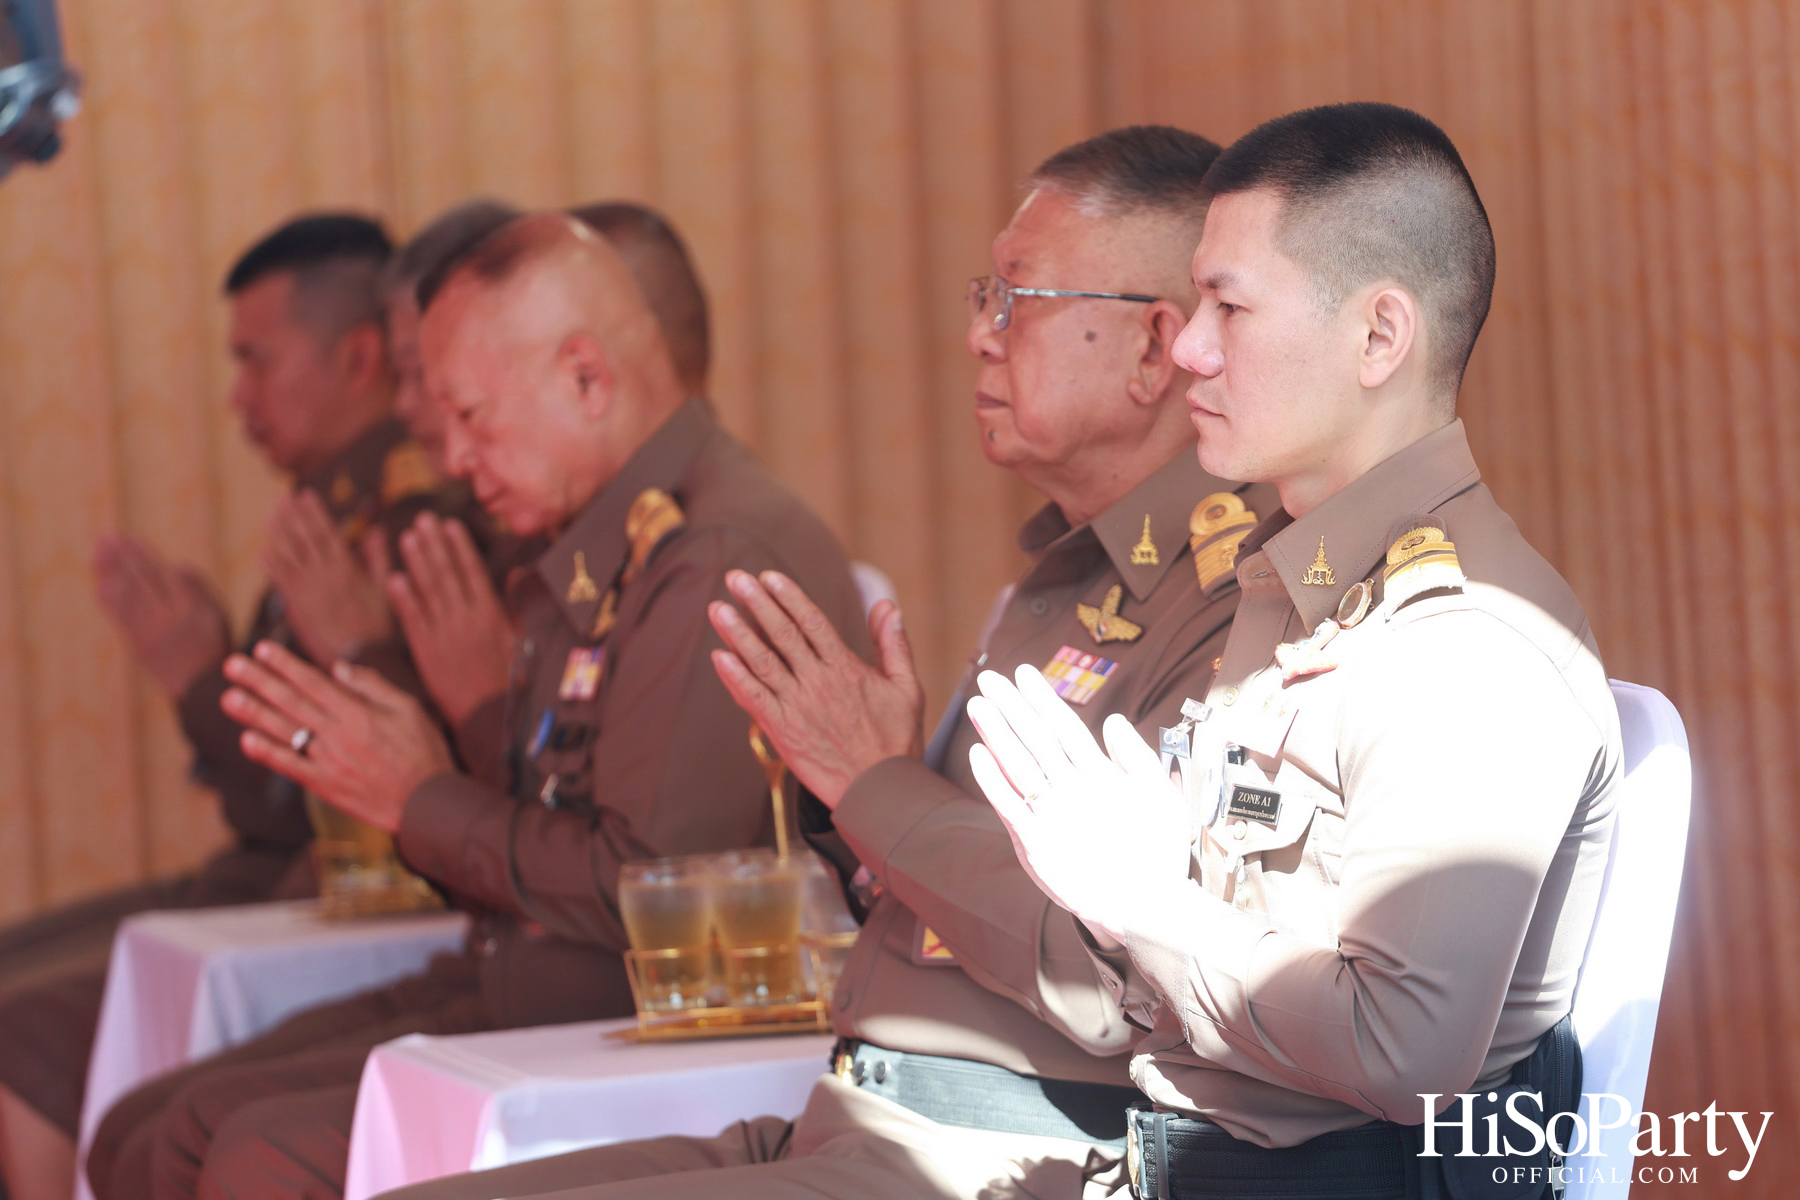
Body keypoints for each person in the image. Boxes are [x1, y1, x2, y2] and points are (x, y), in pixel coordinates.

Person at [374, 125, 1270, 1200]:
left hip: (987, 1155)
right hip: (844, 1118)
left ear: (1149, 345)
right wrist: (856, 809)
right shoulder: (1058, 585)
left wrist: (875, 787)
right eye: (981, 297)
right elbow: (943, 893)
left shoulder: (1238, 607)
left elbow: (1112, 974)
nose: (980, 337)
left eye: (1015, 303)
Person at [85, 212, 868, 1200]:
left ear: (587, 379)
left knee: (249, 1153)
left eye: (471, 416)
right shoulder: (596, 542)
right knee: (163, 1124)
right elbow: (556, 814)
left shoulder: (708, 556)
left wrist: (418, 795)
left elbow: (643, 890)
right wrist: (413, 770)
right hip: (526, 987)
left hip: (643, 1033)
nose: (451, 458)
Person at [967, 103, 1621, 1200]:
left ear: (1378, 337)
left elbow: (1402, 1050)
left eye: (1228, 305)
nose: (1186, 348)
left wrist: (1138, 897)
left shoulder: (1465, 645)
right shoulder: (1292, 585)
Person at [0, 213, 471, 1200]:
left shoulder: (409, 516)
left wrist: (203, 680)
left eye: (257, 363)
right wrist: (206, 673)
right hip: (273, 870)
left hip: (334, 891)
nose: (238, 400)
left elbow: (328, 796)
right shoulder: (331, 507)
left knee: (21, 1041)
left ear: (357, 355)